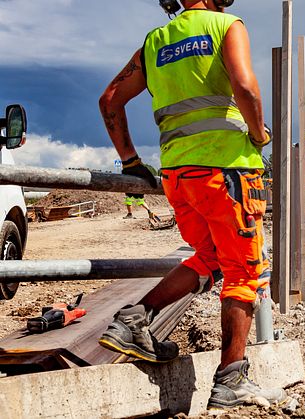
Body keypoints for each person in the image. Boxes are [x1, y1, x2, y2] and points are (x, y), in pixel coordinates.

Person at [96, 0, 283, 409]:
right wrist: (259, 135)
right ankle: (231, 380)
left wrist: (130, 161)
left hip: (179, 175)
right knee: (243, 271)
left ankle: (134, 320)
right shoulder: (226, 25)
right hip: (227, 171)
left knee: (210, 259)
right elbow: (246, 88)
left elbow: (109, 100)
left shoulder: (156, 41)